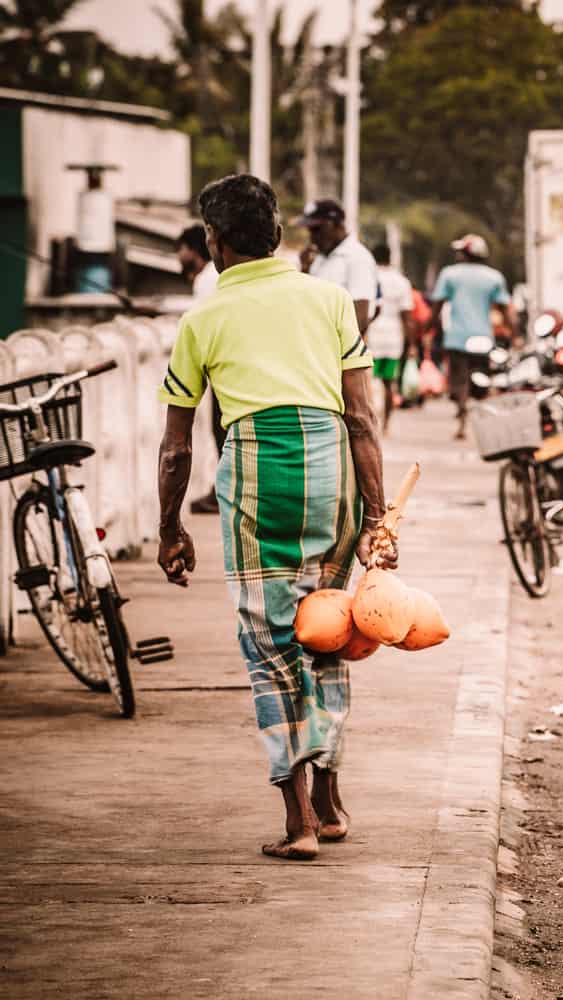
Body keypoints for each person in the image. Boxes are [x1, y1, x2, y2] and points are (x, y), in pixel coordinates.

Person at [155, 174, 394, 862]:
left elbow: (178, 447)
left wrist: (171, 528)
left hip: (259, 478)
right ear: (279, 236)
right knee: (328, 629)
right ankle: (331, 799)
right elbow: (361, 417)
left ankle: (298, 823)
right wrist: (377, 518)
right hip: (331, 478)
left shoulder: (201, 319)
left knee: (269, 648)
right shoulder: (328, 301)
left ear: (214, 242)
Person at [428, 234, 516, 439]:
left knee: (459, 381)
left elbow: (437, 306)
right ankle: (486, 424)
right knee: (483, 380)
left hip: (457, 337)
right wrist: (514, 333)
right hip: (483, 337)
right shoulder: (494, 277)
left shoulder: (450, 274)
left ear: (465, 253)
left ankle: (462, 423)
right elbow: (506, 309)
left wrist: (429, 329)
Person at [177, 224, 226, 515]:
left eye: (180, 248)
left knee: (220, 430)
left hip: (218, 365)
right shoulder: (212, 277)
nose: (178, 255)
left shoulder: (206, 280)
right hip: (227, 362)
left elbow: (200, 324)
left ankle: (221, 491)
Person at [296, 198, 378, 335]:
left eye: (316, 229)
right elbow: (306, 302)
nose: (312, 237)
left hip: (337, 349)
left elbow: (361, 317)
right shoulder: (319, 258)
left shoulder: (357, 257)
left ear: (331, 225)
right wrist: (305, 269)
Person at [369, 245, 416, 432]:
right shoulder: (402, 282)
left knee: (369, 384)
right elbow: (407, 318)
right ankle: (386, 424)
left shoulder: (370, 278)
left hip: (371, 335)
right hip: (393, 338)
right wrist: (411, 344)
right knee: (389, 383)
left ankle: (371, 423)